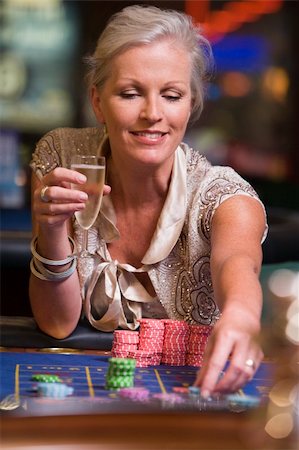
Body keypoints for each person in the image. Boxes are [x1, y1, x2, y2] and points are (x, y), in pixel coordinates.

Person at [29, 5, 267, 397]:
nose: (153, 114)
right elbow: (57, 324)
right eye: (130, 93)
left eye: (172, 95)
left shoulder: (224, 197)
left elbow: (237, 265)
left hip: (195, 392)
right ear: (98, 101)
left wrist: (241, 316)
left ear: (190, 105)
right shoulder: (63, 158)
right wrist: (53, 230)